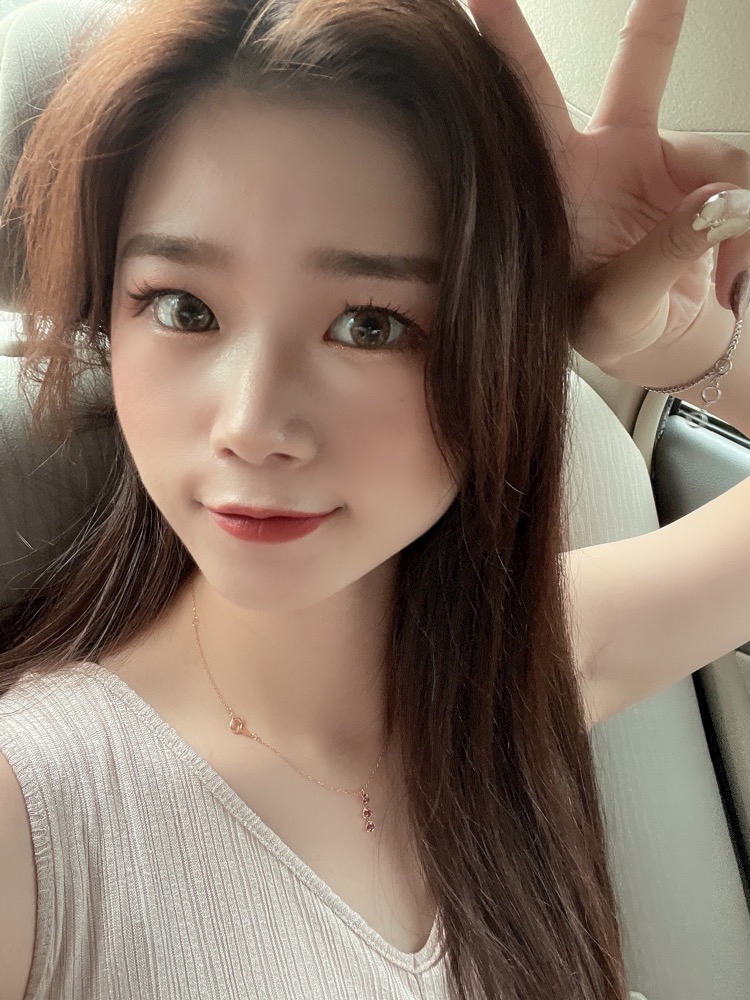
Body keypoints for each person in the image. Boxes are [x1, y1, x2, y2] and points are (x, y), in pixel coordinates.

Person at [0, 0, 748, 997]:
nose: (253, 424)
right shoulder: (32, 816)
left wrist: (690, 348)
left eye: (369, 324)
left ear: (495, 339)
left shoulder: (518, 669)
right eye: (184, 308)